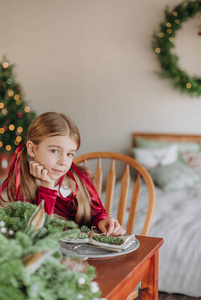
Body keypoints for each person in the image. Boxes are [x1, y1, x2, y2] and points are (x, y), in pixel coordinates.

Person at [0, 112, 125, 236]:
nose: (63, 161)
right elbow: (36, 231)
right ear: (32, 149)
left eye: (70, 154)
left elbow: (96, 214)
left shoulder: (81, 178)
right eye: (54, 151)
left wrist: (102, 221)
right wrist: (47, 186)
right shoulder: (21, 184)